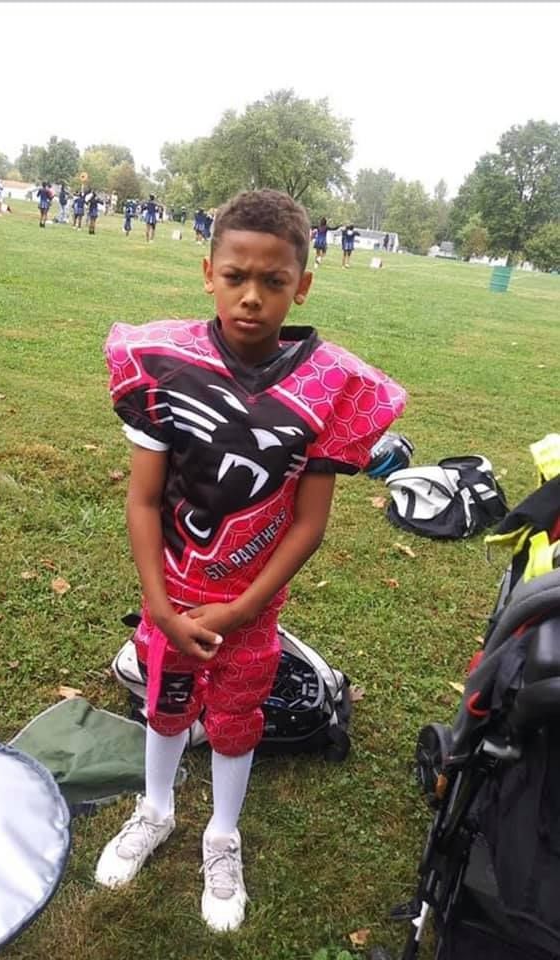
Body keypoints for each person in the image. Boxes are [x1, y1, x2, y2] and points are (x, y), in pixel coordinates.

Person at [96, 188, 406, 932]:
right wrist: (161, 605)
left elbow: (309, 523)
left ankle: (221, 832)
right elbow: (143, 501)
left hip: (252, 601)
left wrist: (241, 606)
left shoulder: (333, 385)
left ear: (302, 285)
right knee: (167, 708)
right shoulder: (162, 365)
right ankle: (157, 809)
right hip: (171, 591)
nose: (251, 297)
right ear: (208, 272)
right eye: (236, 276)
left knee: (237, 717)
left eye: (273, 281)